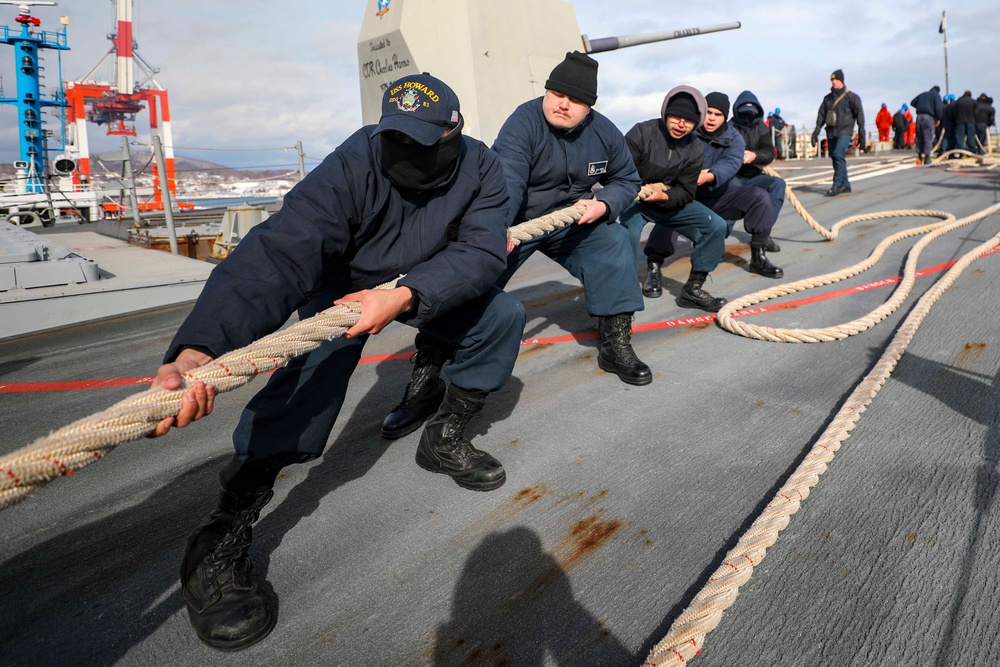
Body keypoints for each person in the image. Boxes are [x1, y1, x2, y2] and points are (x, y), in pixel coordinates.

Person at [149, 72, 527, 650]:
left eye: (422, 142)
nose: (406, 152)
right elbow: (280, 250)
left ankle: (445, 433)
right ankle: (224, 529)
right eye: (396, 139)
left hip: (425, 279)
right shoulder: (355, 161)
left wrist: (403, 295)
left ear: (453, 134)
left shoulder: (481, 167)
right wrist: (199, 347)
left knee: (500, 317)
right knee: (313, 372)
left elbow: (480, 250)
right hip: (345, 287)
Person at [381, 51, 650, 436]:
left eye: (574, 99)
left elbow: (628, 180)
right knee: (467, 278)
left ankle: (614, 342)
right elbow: (505, 181)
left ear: (589, 107)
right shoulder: (523, 122)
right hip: (515, 221)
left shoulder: (605, 133)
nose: (562, 103)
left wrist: (605, 202)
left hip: (569, 219)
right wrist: (493, 233)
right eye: (556, 92)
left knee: (614, 241)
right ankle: (429, 373)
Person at [643, 91, 783, 280]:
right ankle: (654, 265)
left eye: (718, 115)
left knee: (760, 197)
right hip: (686, 195)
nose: (711, 118)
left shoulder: (734, 138)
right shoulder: (687, 131)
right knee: (671, 212)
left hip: (717, 194)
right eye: (708, 112)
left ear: (724, 117)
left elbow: (731, 163)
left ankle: (758, 255)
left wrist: (710, 175)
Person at [618, 85, 729, 311]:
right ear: (666, 113)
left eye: (688, 120)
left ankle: (692, 290)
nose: (681, 124)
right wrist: (643, 191)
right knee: (627, 234)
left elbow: (687, 191)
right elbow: (620, 172)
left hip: (668, 200)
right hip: (636, 200)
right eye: (676, 117)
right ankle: (623, 293)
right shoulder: (641, 132)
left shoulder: (695, 148)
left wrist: (663, 195)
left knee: (716, 226)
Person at [730, 91, 787, 243]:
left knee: (778, 184)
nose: (748, 116)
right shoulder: (729, 128)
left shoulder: (761, 128)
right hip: (732, 176)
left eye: (751, 113)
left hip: (754, 175)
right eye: (744, 113)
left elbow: (769, 153)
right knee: (732, 193)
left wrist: (754, 156)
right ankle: (716, 238)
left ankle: (761, 233)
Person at [811, 69, 865, 196]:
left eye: (836, 79)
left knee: (838, 154)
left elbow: (860, 116)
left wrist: (862, 134)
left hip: (845, 131)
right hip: (831, 131)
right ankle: (845, 184)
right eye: (832, 80)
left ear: (842, 80)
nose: (833, 82)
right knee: (835, 157)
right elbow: (821, 115)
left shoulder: (852, 97)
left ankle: (836, 185)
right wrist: (816, 132)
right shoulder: (828, 99)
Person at [910, 86, 943, 164]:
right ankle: (927, 157)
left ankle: (919, 155)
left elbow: (912, 102)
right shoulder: (936, 96)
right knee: (928, 136)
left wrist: (920, 107)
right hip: (929, 117)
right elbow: (938, 108)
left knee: (919, 136)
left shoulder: (923, 94)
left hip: (919, 117)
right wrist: (938, 118)